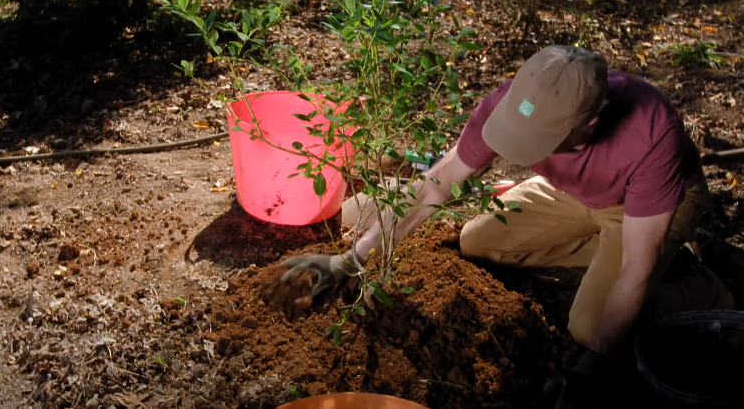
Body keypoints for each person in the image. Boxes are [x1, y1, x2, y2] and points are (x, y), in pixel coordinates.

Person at [272, 45, 735, 408]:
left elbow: (633, 269)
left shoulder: (652, 136)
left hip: (649, 206)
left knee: (592, 326)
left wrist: (592, 368)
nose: (520, 145)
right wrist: (351, 259)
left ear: (591, 124)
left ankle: (698, 282)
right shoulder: (515, 101)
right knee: (478, 241)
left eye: (538, 141)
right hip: (575, 192)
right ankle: (619, 254)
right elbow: (436, 186)